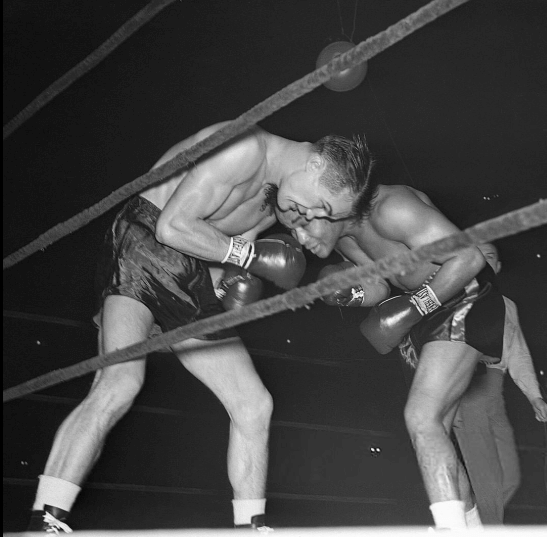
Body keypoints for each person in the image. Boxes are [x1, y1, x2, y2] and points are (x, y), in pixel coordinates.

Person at [27, 120, 373, 533]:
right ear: (316, 164)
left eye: (323, 215)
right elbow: (170, 227)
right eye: (321, 206)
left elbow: (218, 253)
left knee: (253, 403)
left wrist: (229, 283)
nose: (311, 215)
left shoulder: (281, 197)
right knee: (119, 383)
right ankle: (46, 516)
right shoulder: (242, 147)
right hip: (144, 242)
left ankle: (250, 526)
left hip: (187, 272)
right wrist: (250, 259)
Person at [277, 183, 507, 530]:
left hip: (464, 293)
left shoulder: (391, 207)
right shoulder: (344, 238)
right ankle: (473, 529)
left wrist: (416, 307)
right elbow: (382, 285)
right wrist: (347, 292)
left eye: (302, 224)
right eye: (292, 230)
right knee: (433, 433)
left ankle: (450, 529)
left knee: (420, 417)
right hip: (425, 310)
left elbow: (470, 258)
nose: (300, 237)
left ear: (321, 207)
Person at [452, 242, 547, 524]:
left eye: (490, 256)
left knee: (509, 477)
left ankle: (466, 524)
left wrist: (534, 396)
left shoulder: (507, 305)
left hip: (496, 387)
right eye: (477, 256)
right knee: (487, 477)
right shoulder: (454, 296)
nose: (483, 261)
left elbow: (518, 352)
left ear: (499, 266)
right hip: (469, 383)